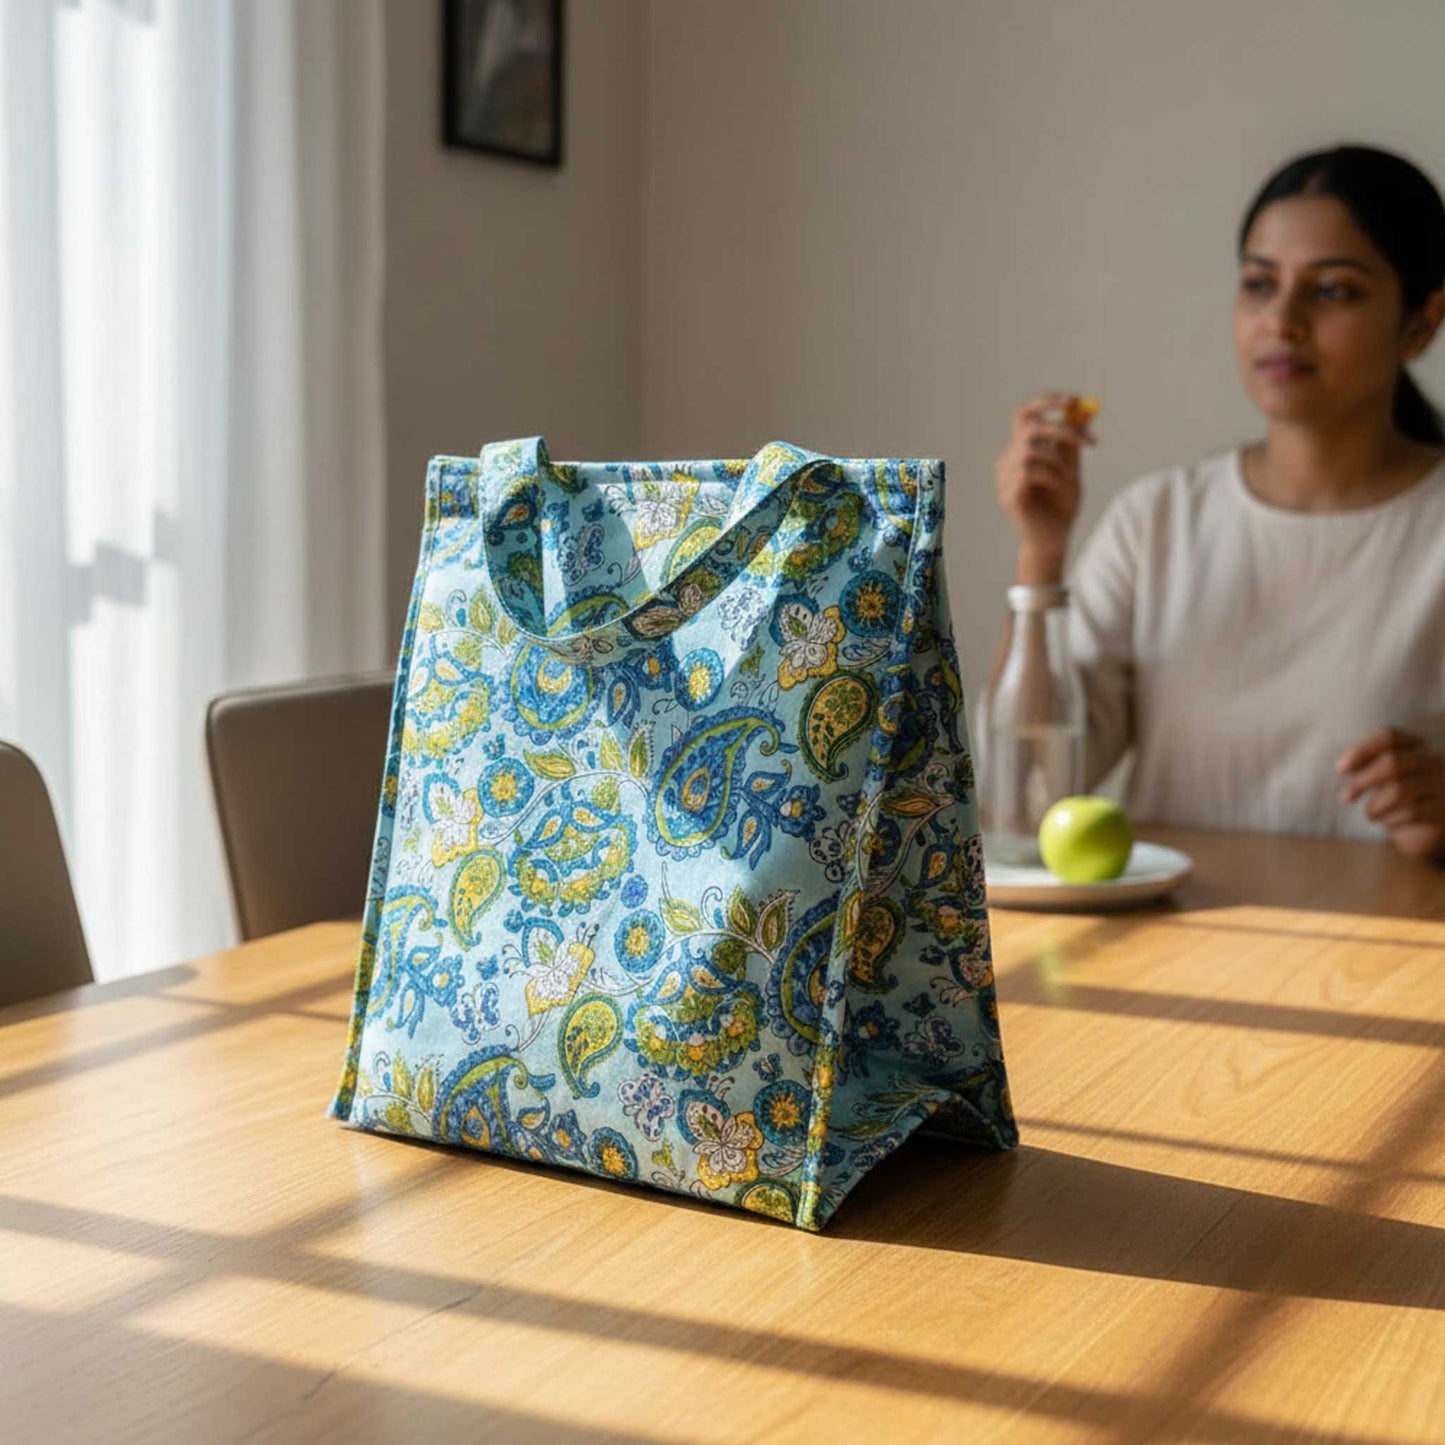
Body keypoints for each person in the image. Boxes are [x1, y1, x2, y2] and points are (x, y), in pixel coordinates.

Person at [993, 144, 1445, 863]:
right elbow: (1025, 801)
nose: (1282, 320)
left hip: (1384, 958)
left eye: (1332, 290)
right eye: (1259, 285)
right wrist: (1040, 552)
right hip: (1178, 955)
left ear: (1420, 323)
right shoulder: (1156, 524)